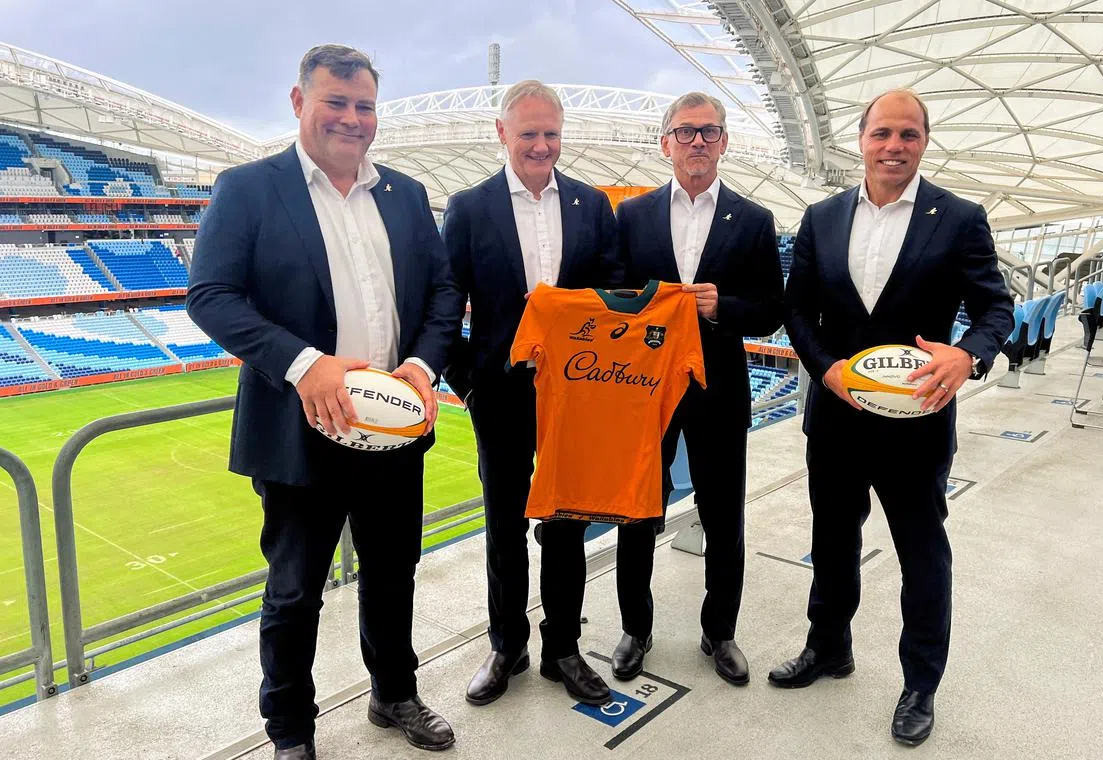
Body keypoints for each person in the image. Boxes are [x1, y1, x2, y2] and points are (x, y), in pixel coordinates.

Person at [187, 44, 464, 759]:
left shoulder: (404, 193)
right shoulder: (248, 188)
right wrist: (302, 364)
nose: (350, 118)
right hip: (298, 428)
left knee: (393, 572)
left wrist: (420, 365)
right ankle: (290, 731)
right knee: (293, 592)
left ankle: (394, 694)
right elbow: (210, 294)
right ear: (299, 102)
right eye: (334, 102)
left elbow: (441, 294)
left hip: (393, 430)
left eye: (363, 105)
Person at [768, 89, 1014, 746]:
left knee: (922, 556)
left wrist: (967, 356)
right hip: (838, 418)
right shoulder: (821, 218)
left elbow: (996, 310)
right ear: (861, 139)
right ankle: (829, 648)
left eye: (907, 134)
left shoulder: (958, 217)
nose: (894, 146)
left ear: (924, 141)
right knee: (832, 545)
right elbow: (797, 311)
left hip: (919, 420)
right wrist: (826, 368)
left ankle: (920, 684)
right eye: (882, 133)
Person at [441, 80, 622, 706]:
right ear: (502, 134)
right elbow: (445, 302)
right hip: (500, 393)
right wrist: (467, 382)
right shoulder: (467, 208)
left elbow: (614, 296)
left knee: (568, 523)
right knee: (503, 525)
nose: (541, 146)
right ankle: (506, 644)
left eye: (550, 134)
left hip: (575, 394)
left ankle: (563, 649)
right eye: (529, 135)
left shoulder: (592, 206)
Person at [611, 92, 785, 686]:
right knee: (638, 510)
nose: (698, 143)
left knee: (723, 513)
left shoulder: (756, 220)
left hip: (719, 387)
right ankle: (636, 629)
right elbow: (613, 298)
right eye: (685, 133)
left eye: (709, 132)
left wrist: (722, 307)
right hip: (645, 388)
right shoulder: (631, 217)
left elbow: (770, 310)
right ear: (665, 143)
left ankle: (721, 631)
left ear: (724, 141)